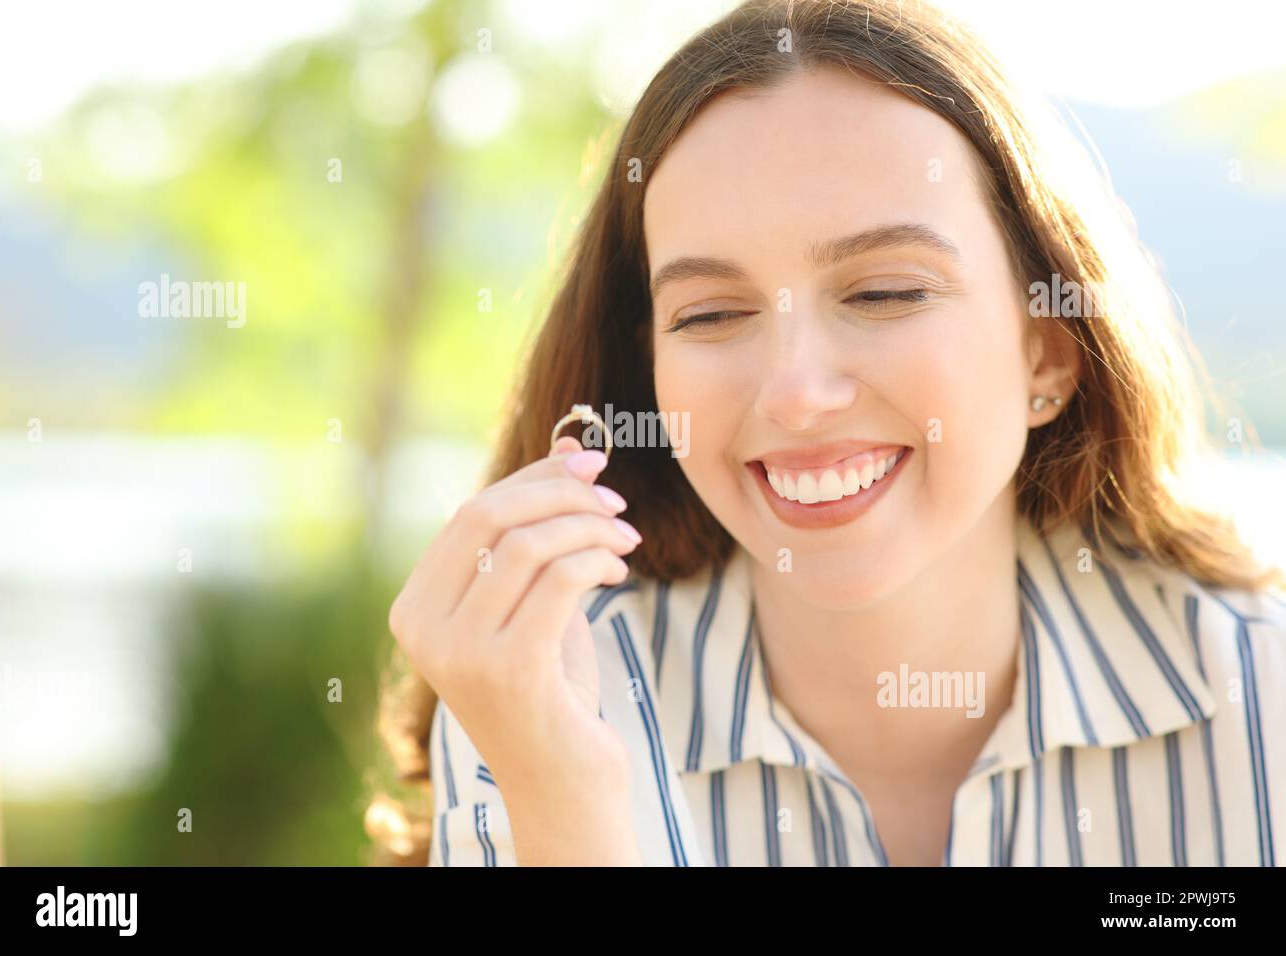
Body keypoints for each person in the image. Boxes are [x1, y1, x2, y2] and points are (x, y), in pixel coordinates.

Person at [371, 0, 1286, 866]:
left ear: (1048, 350)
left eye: (884, 293)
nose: (796, 392)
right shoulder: (547, 699)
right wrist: (565, 804)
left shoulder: (1261, 697)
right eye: (713, 314)